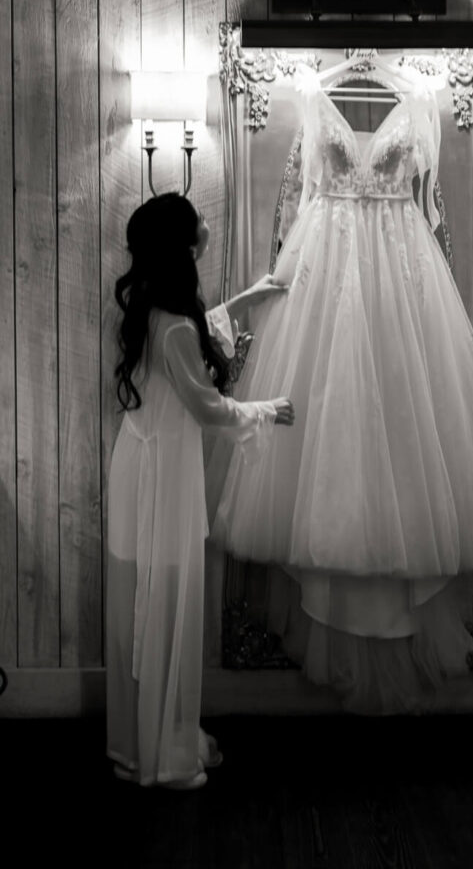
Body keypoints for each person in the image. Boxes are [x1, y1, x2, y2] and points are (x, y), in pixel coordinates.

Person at [207, 63, 473, 713]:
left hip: (403, 280)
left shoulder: (420, 93)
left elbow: (427, 207)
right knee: (333, 424)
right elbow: (303, 198)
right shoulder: (311, 91)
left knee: (403, 423)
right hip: (327, 276)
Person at [106, 192, 293, 789]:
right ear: (184, 245)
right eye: (199, 222)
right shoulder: (175, 325)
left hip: (140, 461)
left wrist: (245, 301)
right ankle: (165, 753)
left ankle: (142, 740)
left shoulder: (151, 306)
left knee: (145, 597)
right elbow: (208, 406)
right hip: (162, 476)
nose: (208, 226)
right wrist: (268, 410)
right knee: (164, 600)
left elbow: (183, 346)